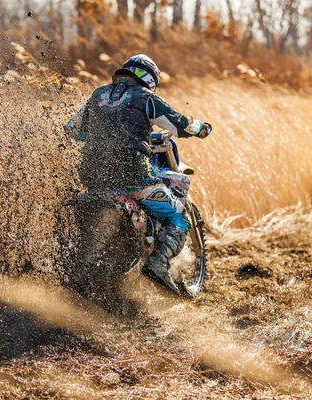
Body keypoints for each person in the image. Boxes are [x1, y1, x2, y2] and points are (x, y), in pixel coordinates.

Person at [66, 54, 211, 293]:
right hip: (133, 176)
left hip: (93, 176)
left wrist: (103, 137)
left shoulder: (97, 95)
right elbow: (180, 124)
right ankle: (157, 263)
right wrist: (201, 128)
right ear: (149, 79)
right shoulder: (147, 99)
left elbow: (72, 130)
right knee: (177, 216)